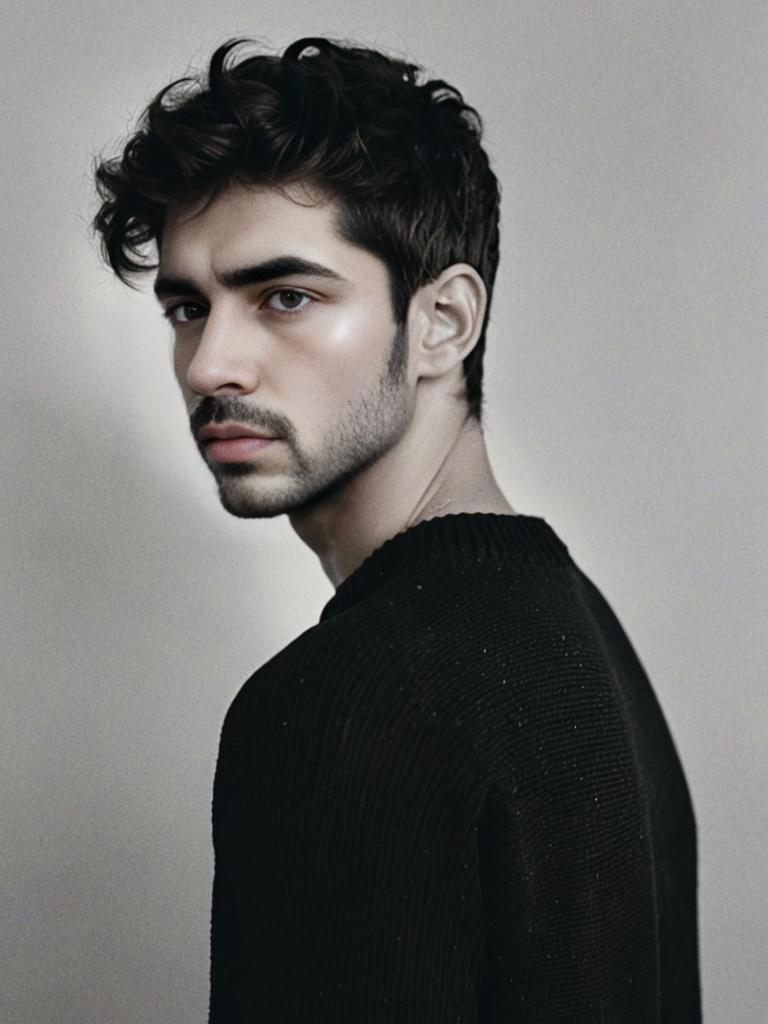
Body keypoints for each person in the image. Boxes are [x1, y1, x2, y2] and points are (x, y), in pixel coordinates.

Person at [91, 36, 701, 1022]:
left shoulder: (351, 701)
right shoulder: (581, 633)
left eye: (284, 296)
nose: (209, 365)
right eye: (186, 307)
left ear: (443, 323)